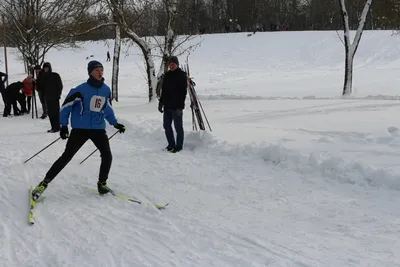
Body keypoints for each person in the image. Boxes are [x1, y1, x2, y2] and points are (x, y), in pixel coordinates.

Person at [31, 60, 126, 201]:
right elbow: (66, 107)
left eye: (101, 70)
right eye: (96, 70)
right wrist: (63, 125)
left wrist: (115, 123)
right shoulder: (80, 89)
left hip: (98, 128)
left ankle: (102, 184)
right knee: (67, 156)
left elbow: (106, 108)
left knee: (107, 155)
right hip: (80, 129)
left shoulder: (106, 90)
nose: (100, 72)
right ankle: (43, 184)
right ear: (90, 72)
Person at [158, 56, 187, 153]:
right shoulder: (167, 75)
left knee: (178, 127)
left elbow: (183, 93)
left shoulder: (182, 75)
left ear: (177, 64)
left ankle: (179, 146)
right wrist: (161, 102)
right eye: (170, 64)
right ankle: (171, 144)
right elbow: (164, 90)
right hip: (167, 106)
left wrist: (180, 106)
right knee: (166, 126)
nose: (171, 66)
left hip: (177, 107)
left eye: (173, 64)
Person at [37, 62, 63, 132]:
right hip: (47, 97)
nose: (46, 69)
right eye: (44, 68)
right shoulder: (42, 77)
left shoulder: (55, 75)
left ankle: (57, 127)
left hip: (55, 97)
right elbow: (40, 87)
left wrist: (58, 95)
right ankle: (53, 127)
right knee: (50, 113)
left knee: (56, 113)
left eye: (47, 68)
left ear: (49, 68)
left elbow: (60, 86)